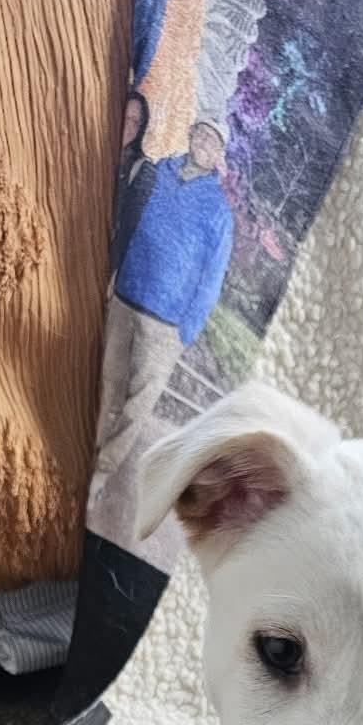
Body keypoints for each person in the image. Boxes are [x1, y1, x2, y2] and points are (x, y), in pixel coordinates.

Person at [95, 121, 234, 479]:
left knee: (137, 402)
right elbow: (128, 223)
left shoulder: (218, 210)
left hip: (166, 324)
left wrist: (186, 331)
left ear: (219, 155)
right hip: (127, 296)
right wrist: (115, 276)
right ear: (191, 135)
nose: (205, 143)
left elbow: (212, 279)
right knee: (108, 382)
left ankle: (103, 470)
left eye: (213, 141)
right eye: (202, 134)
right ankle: (89, 451)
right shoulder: (158, 172)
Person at [114, 91, 156, 267]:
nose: (128, 125)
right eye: (126, 116)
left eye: (135, 121)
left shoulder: (143, 169)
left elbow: (127, 229)